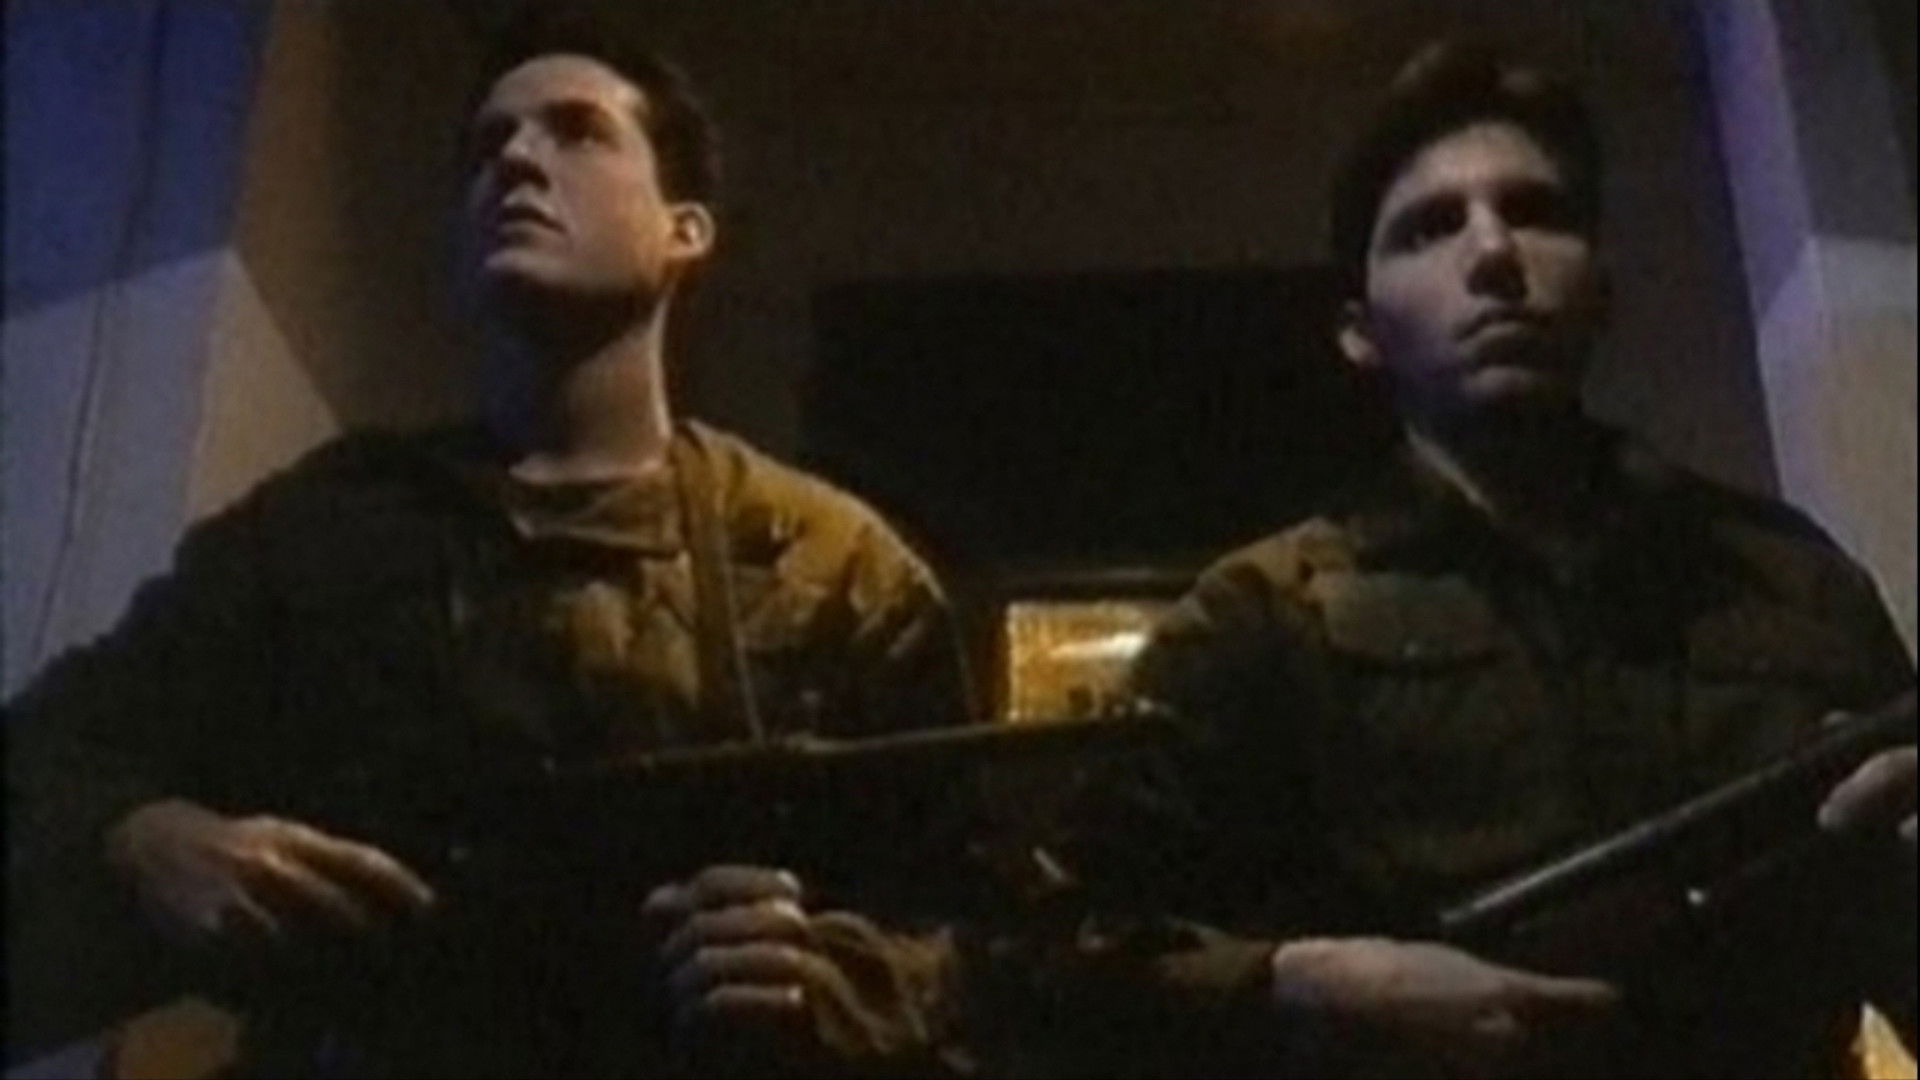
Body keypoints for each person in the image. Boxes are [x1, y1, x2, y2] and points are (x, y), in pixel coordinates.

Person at [6, 12, 979, 1078]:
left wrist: (837, 986)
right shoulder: (320, 531)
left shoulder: (830, 567)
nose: (515, 159)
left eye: (577, 130)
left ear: (685, 229)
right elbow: (57, 745)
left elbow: (970, 916)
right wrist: (147, 838)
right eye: (488, 144)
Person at [1034, 39, 1915, 1078]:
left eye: (1537, 213)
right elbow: (1055, 964)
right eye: (1429, 228)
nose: (1494, 254)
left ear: (1601, 285)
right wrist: (1296, 986)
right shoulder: (1262, 613)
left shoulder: (1792, 581)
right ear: (1360, 330)